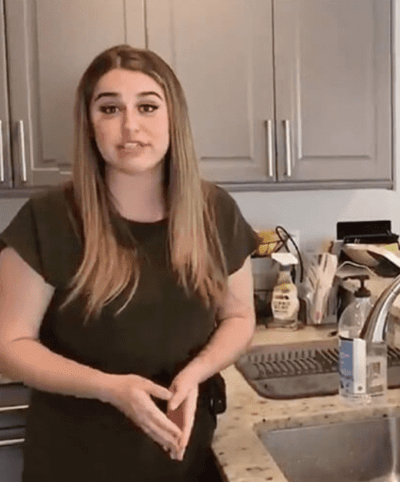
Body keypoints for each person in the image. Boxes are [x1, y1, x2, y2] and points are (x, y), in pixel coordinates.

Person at [0, 45, 259, 481]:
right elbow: (10, 345)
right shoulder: (48, 219)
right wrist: (111, 388)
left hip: (185, 460)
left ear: (174, 117)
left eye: (147, 106)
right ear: (89, 124)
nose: (130, 126)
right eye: (110, 108)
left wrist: (197, 371)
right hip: (76, 463)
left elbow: (238, 315)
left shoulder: (215, 212)